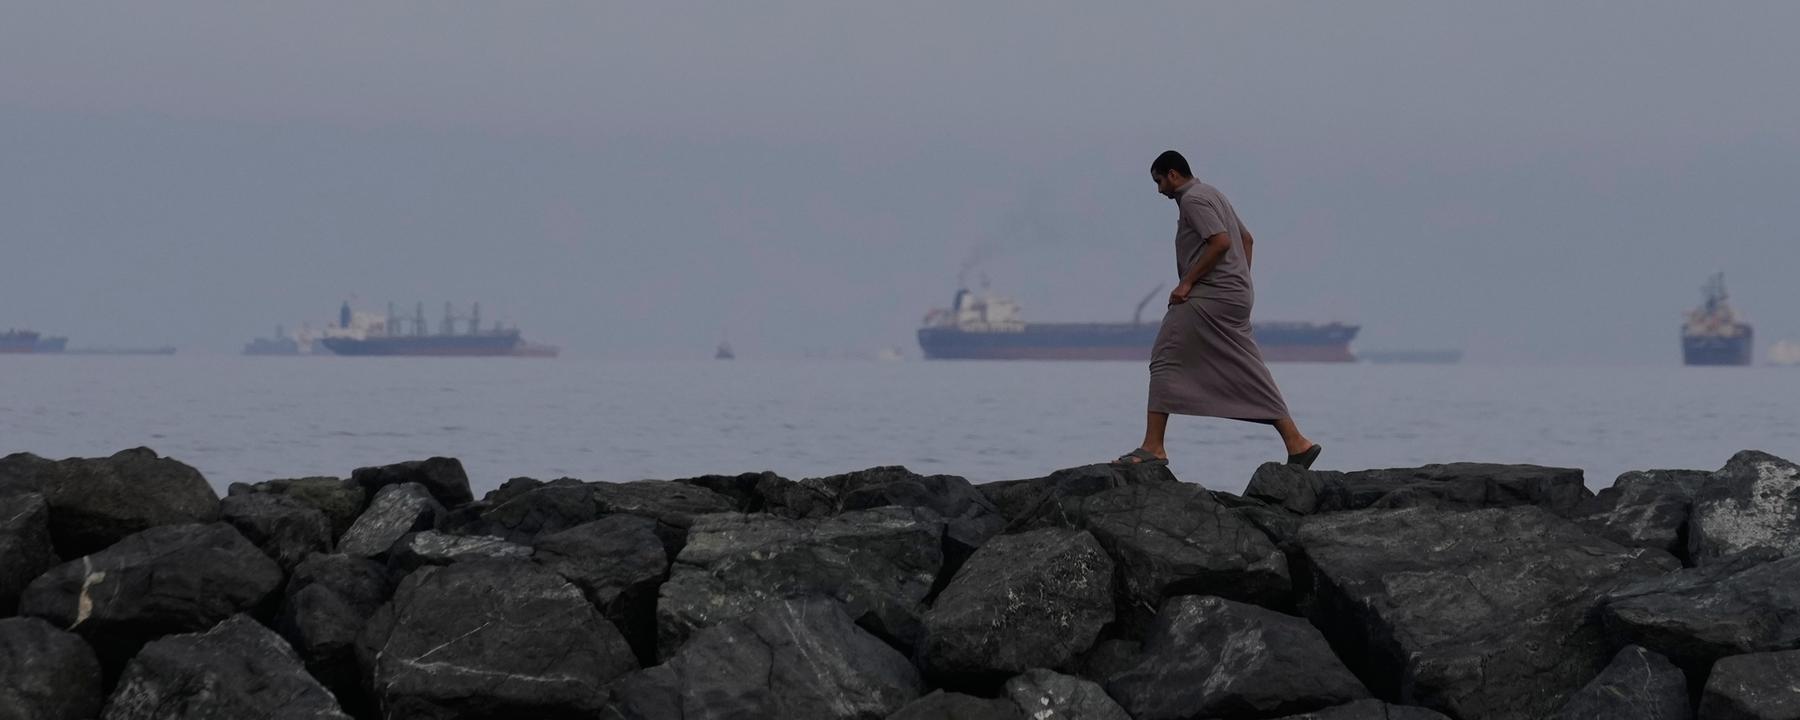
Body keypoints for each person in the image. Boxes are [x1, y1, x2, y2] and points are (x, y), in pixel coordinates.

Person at [1115, 150, 1322, 469]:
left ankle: (1153, 446)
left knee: (1165, 355)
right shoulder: (1213, 193)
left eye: (1159, 181)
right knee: (1248, 366)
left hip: (1209, 295)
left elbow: (1221, 241)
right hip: (1235, 296)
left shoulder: (1193, 200)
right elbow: (1247, 240)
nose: (1158, 190)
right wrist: (1239, 281)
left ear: (1173, 175)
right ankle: (1297, 442)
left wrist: (1187, 283)